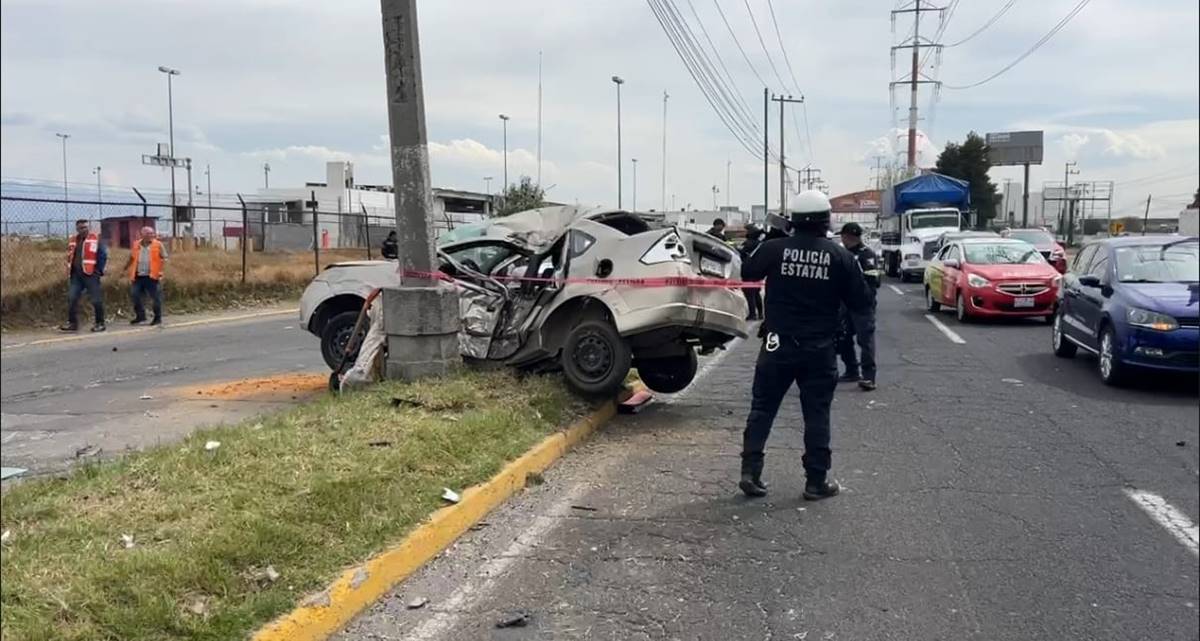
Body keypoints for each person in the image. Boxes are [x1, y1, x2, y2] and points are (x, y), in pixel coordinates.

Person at [738, 190, 871, 501]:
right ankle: (816, 481)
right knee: (816, 414)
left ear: (793, 220)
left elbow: (747, 271)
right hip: (820, 347)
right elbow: (861, 301)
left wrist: (773, 237)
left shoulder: (774, 249)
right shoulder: (841, 256)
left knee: (762, 409)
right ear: (826, 220)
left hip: (776, 343)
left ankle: (750, 473)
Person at [835, 222, 882, 391]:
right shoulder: (842, 254)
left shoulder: (866, 255)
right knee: (842, 338)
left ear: (848, 237)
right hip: (845, 306)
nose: (842, 239)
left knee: (865, 341)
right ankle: (852, 370)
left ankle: (869, 377)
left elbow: (874, 281)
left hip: (862, 306)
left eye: (843, 236)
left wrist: (863, 296)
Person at [61, 219, 108, 332]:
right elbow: (70, 256)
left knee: (96, 299)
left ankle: (100, 323)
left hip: (91, 274)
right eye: (81, 227)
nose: (83, 229)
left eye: (85, 227)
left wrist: (98, 271)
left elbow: (103, 255)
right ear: (77, 228)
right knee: (72, 298)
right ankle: (72, 323)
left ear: (88, 228)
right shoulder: (73, 240)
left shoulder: (95, 239)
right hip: (76, 275)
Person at [126, 226, 168, 325]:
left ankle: (157, 318)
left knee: (155, 297)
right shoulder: (136, 244)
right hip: (138, 275)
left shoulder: (158, 245)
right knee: (135, 295)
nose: (151, 235)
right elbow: (132, 258)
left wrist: (161, 271)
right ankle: (140, 316)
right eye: (148, 233)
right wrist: (125, 268)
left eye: (152, 233)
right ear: (142, 235)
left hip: (152, 276)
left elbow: (165, 258)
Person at [738, 224, 765, 320]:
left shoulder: (748, 243)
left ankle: (752, 314)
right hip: (758, 271)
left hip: (748, 271)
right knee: (756, 292)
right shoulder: (760, 244)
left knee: (749, 293)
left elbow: (740, 254)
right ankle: (761, 313)